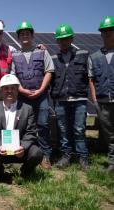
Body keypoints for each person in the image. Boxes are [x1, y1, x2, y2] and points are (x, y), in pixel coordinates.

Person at [11, 21, 54, 170]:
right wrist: (21, 90)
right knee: (23, 126)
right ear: (18, 37)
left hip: (41, 96)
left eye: (27, 33)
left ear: (32, 35)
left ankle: (45, 156)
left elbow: (49, 71)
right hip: (22, 96)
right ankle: (23, 153)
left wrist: (41, 89)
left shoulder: (42, 51)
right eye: (22, 34)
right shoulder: (14, 55)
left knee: (42, 126)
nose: (24, 36)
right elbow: (12, 76)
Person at [0, 74, 43, 181]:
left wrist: (23, 147)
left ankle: (26, 170)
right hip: (1, 149)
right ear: (1, 90)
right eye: (6, 88)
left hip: (20, 150)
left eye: (13, 88)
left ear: (17, 90)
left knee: (37, 154)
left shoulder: (27, 109)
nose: (9, 91)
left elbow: (31, 132)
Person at [50, 24, 90, 170]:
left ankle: (82, 156)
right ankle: (66, 155)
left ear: (71, 38)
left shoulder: (83, 54)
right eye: (60, 40)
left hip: (79, 99)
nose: (63, 42)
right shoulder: (54, 58)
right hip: (61, 100)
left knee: (79, 128)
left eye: (66, 39)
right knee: (63, 129)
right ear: (57, 42)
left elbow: (90, 77)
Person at [89, 16, 114, 173]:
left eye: (110, 30)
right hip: (103, 101)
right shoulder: (94, 56)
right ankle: (113, 162)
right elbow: (91, 79)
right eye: (104, 31)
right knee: (110, 134)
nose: (107, 34)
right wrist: (95, 100)